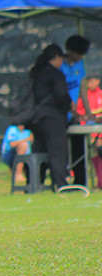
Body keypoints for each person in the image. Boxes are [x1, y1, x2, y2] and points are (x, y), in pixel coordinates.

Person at [28, 44, 73, 188]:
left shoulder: (37, 72)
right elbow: (61, 96)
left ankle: (35, 182)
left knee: (39, 149)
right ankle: (60, 183)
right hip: (52, 118)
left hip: (36, 117)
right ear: (57, 57)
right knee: (57, 151)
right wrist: (69, 107)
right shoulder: (55, 74)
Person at [60, 35, 90, 106]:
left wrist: (88, 112)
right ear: (70, 51)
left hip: (73, 112)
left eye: (82, 54)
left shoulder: (80, 63)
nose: (81, 56)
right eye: (79, 54)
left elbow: (82, 87)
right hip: (61, 111)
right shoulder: (60, 66)